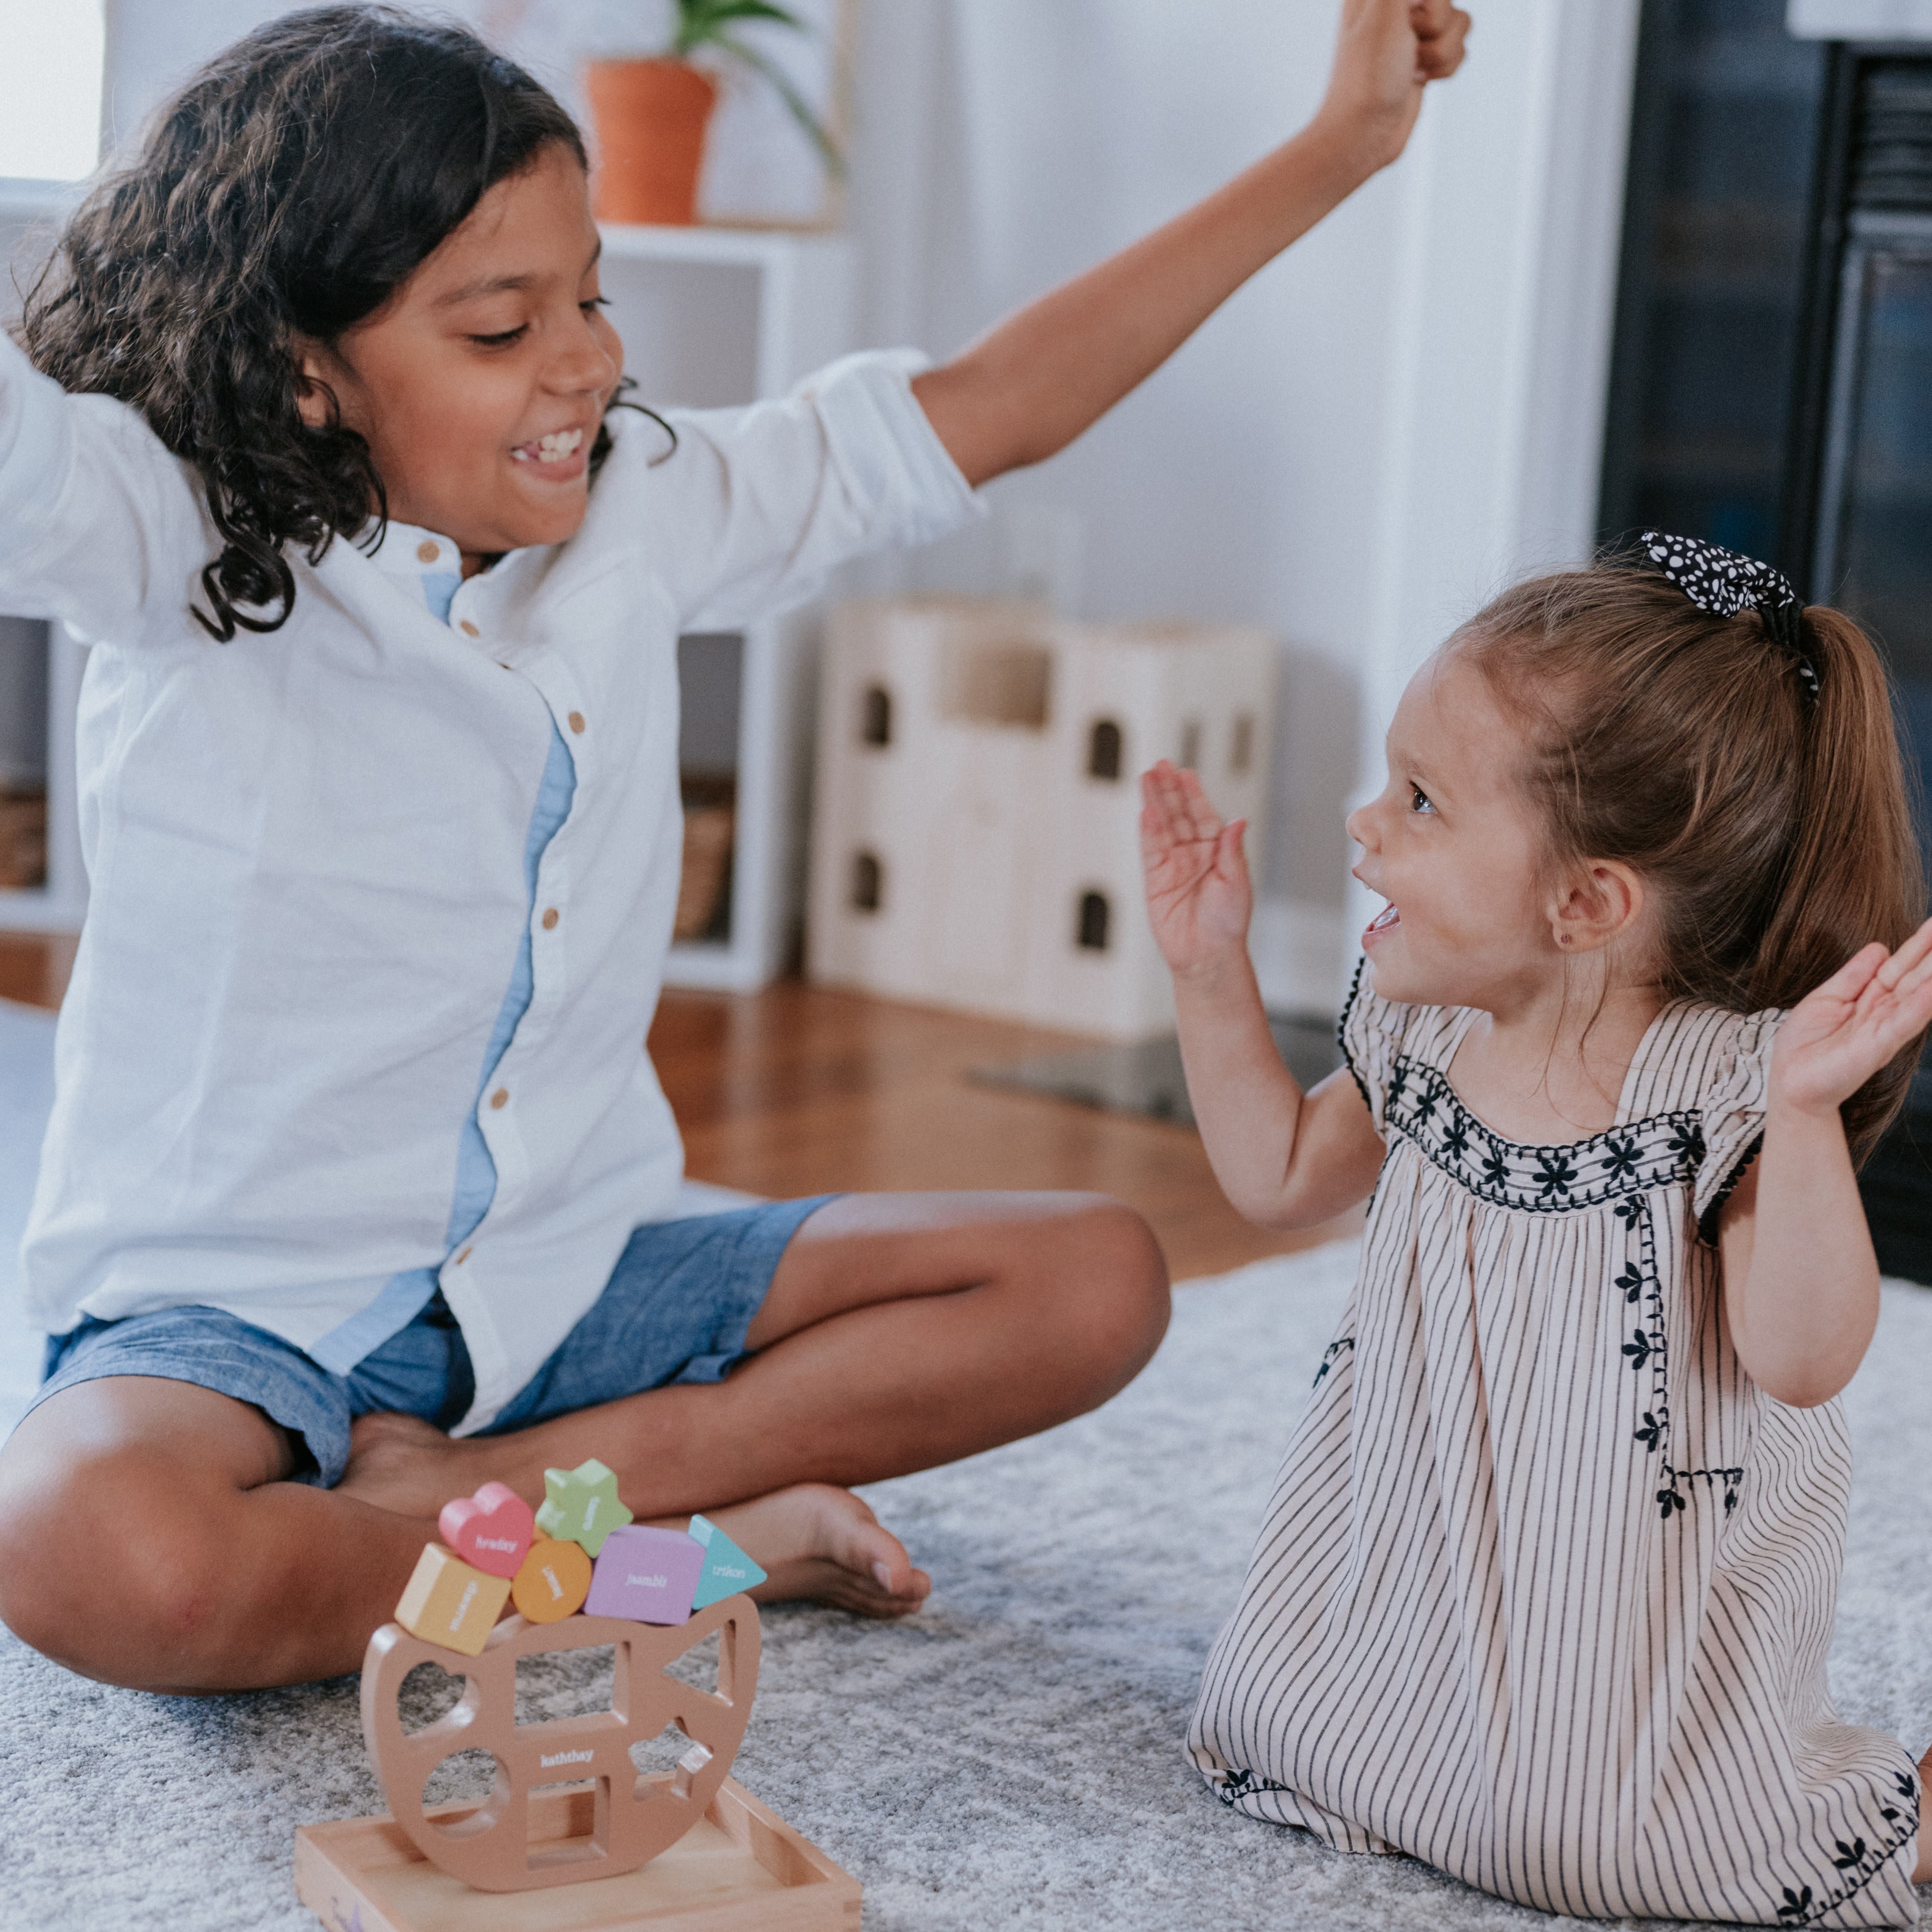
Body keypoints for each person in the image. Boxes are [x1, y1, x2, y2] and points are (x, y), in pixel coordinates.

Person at [0, 2, 1472, 1692]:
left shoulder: (651, 499)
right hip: (241, 1319)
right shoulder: (170, 534)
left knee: (1092, 1281)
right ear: (303, 365)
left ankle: (502, 1509)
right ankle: (663, 1557)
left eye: (590, 296)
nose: (586, 363)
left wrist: (1341, 146)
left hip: (567, 1290)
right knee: (91, 1545)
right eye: (501, 329)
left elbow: (988, 408)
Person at [1140, 538, 1932, 1924]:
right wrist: (1210, 970)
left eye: (1425, 802)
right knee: (1270, 1713)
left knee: (1601, 1849)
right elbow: (1275, 1175)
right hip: (1410, 1548)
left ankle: (1907, 1817)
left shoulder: (1724, 1089)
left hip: (1616, 1626)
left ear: (1585, 905)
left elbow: (1804, 1358)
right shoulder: (1426, 1025)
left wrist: (1806, 1120)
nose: (1365, 824)